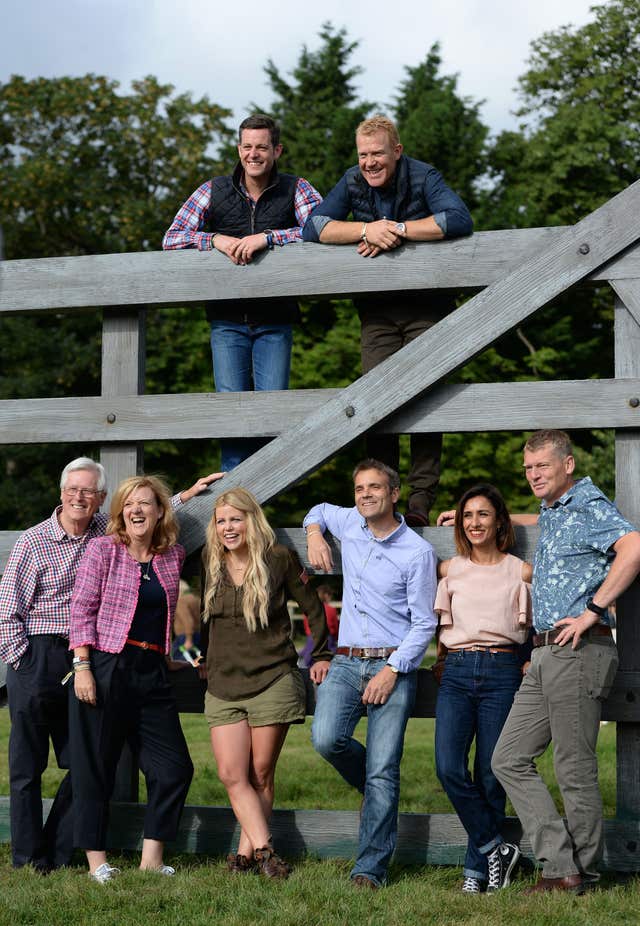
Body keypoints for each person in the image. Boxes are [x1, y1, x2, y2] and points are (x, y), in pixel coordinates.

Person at [0, 456, 219, 872]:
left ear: (100, 500)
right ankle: (29, 858)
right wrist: (23, 660)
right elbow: (9, 608)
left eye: (88, 492)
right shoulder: (36, 541)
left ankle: (60, 852)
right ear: (61, 493)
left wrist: (188, 494)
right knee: (28, 765)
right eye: (73, 490)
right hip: (46, 654)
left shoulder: (114, 533)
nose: (79, 497)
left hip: (107, 656)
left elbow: (147, 508)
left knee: (84, 764)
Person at [302, 115, 473, 526]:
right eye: (363, 155)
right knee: (375, 403)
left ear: (396, 151)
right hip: (376, 312)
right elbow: (314, 226)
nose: (370, 162)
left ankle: (419, 503)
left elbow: (458, 218)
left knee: (425, 399)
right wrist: (367, 228)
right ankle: (382, 498)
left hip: (427, 308)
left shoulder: (423, 175)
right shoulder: (352, 180)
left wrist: (397, 228)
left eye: (378, 153)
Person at [490, 430, 640, 894]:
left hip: (579, 649)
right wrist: (485, 516)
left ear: (568, 465)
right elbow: (532, 520)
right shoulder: (555, 512)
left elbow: (634, 548)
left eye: (543, 467)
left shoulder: (588, 506)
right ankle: (561, 860)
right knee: (508, 757)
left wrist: (594, 610)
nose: (534, 475)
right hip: (543, 652)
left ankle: (580, 873)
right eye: (528, 468)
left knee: (573, 767)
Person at [304, 459, 437, 888]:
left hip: (392, 663)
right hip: (345, 660)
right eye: (360, 488)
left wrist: (393, 670)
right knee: (326, 739)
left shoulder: (417, 551)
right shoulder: (348, 523)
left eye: (375, 488)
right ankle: (380, 798)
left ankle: (369, 869)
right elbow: (319, 509)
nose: (365, 495)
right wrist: (312, 534)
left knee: (384, 768)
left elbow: (423, 624)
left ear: (394, 493)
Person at [163, 113, 322, 471]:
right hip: (227, 322)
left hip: (275, 321)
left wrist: (269, 237)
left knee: (271, 419)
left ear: (276, 150)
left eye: (262, 147)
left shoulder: (297, 188)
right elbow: (171, 238)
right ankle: (235, 515)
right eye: (247, 146)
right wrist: (214, 238)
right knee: (231, 420)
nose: (254, 154)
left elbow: (319, 229)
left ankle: (264, 509)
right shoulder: (213, 190)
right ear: (238, 149)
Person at [201, 487, 332, 879]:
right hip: (223, 683)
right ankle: (266, 851)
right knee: (231, 774)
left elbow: (315, 609)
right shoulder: (210, 561)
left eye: (235, 519)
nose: (228, 527)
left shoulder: (278, 559)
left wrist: (321, 654)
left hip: (273, 677)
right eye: (221, 520)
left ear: (251, 520)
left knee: (260, 774)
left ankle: (245, 859)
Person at [69, 475, 194, 882]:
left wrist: (188, 657)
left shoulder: (172, 555)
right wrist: (83, 666)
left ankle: (151, 859)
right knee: (96, 767)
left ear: (160, 512)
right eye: (129, 504)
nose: (137, 510)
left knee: (174, 767)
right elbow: (82, 610)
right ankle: (97, 863)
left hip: (153, 670)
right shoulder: (103, 550)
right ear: (121, 512)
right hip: (106, 666)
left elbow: (173, 619)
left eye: (146, 503)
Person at [434, 484, 532, 894]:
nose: (474, 523)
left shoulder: (520, 570)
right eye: (467, 515)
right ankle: (496, 847)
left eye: (483, 514)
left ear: (499, 522)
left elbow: (552, 521)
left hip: (503, 669)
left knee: (491, 773)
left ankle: (478, 872)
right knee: (448, 767)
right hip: (456, 671)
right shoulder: (449, 569)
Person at [300, 583, 339, 668]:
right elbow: (335, 628)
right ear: (326, 595)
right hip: (328, 640)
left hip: (311, 640)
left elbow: (306, 627)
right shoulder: (331, 609)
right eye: (330, 595)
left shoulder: (309, 609)